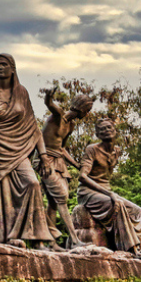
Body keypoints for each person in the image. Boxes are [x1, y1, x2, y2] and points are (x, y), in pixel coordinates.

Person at [0, 54, 58, 249]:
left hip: (19, 149)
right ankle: (6, 238)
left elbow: (33, 127)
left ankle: (37, 239)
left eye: (4, 64)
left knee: (32, 184)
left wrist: (44, 156)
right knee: (1, 194)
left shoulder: (21, 92)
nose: (0, 67)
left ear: (13, 68)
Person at [78, 117, 141, 258]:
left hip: (106, 192)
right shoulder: (92, 150)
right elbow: (82, 177)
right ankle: (129, 249)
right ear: (98, 134)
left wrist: (109, 193)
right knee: (118, 204)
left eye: (109, 127)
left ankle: (138, 246)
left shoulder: (117, 151)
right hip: (88, 193)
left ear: (115, 131)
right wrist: (110, 194)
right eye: (102, 129)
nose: (106, 131)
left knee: (138, 212)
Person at [39, 89, 94, 247]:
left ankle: (50, 242)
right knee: (62, 196)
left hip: (59, 161)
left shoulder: (70, 126)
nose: (87, 114)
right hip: (45, 159)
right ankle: (75, 240)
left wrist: (77, 165)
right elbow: (49, 103)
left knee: (53, 203)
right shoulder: (59, 116)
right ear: (82, 108)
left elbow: (62, 149)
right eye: (87, 110)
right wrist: (49, 95)